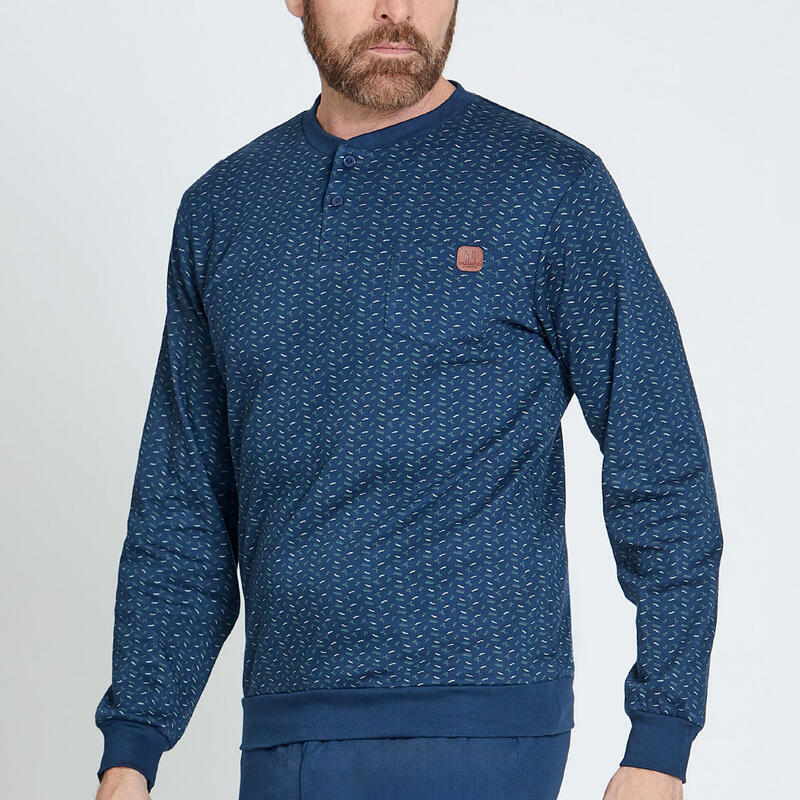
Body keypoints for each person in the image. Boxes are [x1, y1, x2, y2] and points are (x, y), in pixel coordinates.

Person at [93, 1, 724, 798]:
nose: (397, 10)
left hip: (484, 727)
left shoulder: (547, 186)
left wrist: (661, 741)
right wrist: (133, 747)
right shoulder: (225, 207)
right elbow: (184, 502)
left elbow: (659, 458)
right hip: (285, 726)